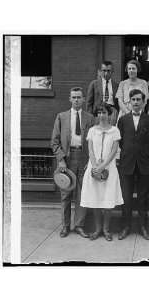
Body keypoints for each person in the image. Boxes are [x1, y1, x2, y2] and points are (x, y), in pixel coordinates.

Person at [51, 87, 95, 238]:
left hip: (83, 157)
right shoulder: (61, 117)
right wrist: (61, 160)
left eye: (79, 97)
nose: (76, 100)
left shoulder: (90, 118)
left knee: (82, 194)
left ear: (83, 99)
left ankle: (79, 225)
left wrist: (90, 160)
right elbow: (55, 142)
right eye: (74, 97)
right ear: (70, 99)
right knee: (66, 194)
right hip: (67, 159)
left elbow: (94, 142)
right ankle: (65, 226)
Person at [117, 89, 149, 240]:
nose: (135, 102)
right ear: (129, 101)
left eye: (138, 100)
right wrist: (130, 152)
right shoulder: (123, 120)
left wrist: (142, 152)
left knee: (143, 198)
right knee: (126, 198)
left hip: (144, 163)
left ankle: (143, 227)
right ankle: (125, 227)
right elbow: (120, 141)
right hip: (127, 163)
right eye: (133, 99)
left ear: (143, 102)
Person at [80, 103, 123, 241]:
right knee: (96, 199)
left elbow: (114, 151)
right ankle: (97, 229)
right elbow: (90, 150)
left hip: (109, 168)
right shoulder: (92, 130)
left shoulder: (115, 131)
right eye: (99, 113)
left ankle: (106, 229)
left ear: (109, 114)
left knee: (107, 200)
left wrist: (104, 165)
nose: (101, 115)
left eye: (104, 112)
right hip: (94, 168)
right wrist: (95, 167)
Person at [86, 61, 119, 125]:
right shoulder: (94, 84)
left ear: (112, 72)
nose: (106, 73)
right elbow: (89, 103)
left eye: (108, 71)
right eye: (104, 71)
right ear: (100, 71)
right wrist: (90, 117)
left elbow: (117, 103)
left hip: (112, 115)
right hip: (98, 114)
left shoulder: (116, 85)